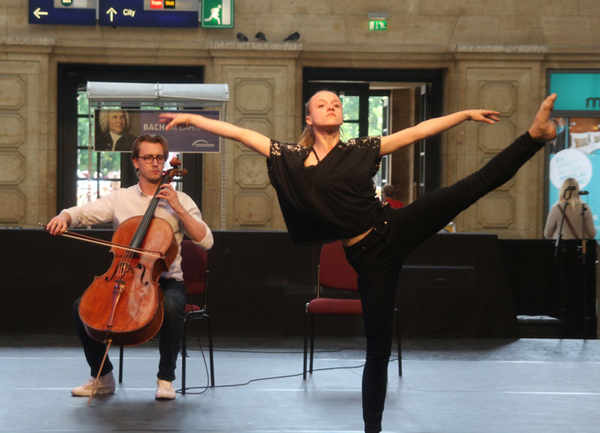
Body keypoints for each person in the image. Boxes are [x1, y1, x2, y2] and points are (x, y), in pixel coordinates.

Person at [160, 91, 557, 432]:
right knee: (378, 348)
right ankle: (373, 429)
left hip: (394, 226)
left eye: (336, 104)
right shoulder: (291, 157)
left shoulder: (360, 149)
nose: (331, 107)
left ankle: (534, 137)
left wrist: (465, 115)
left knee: (468, 189)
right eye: (323, 103)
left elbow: (417, 131)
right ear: (309, 117)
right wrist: (192, 119)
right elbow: (240, 133)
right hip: (369, 259)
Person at [46, 134, 213, 400]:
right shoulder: (120, 198)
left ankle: (166, 378)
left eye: (160, 158)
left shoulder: (181, 200)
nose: (155, 164)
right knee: (82, 307)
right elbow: (83, 212)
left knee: (171, 304)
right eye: (148, 158)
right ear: (136, 162)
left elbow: (206, 240)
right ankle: (102, 377)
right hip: (123, 278)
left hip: (167, 281)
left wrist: (178, 209)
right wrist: (64, 216)